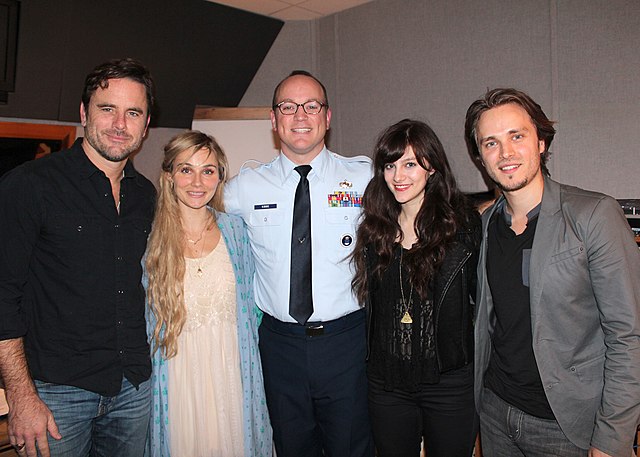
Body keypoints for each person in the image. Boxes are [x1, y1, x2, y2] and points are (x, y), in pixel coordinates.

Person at [465, 88, 640, 457]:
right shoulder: (483, 226)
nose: (506, 153)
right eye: (491, 143)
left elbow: (629, 336)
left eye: (517, 136)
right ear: (480, 157)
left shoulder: (594, 215)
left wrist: (612, 437)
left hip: (567, 426)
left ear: (541, 142)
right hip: (496, 413)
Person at [0, 58, 156, 457]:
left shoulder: (146, 196)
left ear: (146, 123)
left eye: (133, 112)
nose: (120, 124)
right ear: (84, 113)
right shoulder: (30, 186)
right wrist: (20, 397)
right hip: (55, 395)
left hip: (133, 389)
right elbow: (2, 295)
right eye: (108, 109)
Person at [224, 70, 374, 457]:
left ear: (328, 117)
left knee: (352, 448)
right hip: (280, 347)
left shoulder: (365, 178)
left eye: (312, 106)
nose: (300, 116)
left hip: (347, 344)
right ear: (274, 121)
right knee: (290, 448)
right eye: (288, 107)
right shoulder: (244, 187)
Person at [351, 119, 480, 456]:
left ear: (432, 167)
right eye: (390, 165)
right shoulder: (374, 230)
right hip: (387, 383)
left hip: (449, 381)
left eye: (409, 164)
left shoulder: (462, 227)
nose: (398, 176)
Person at [144, 130, 272, 457]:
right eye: (186, 169)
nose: (197, 181)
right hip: (177, 378)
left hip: (233, 374)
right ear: (169, 176)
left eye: (208, 170)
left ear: (220, 177)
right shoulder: (149, 239)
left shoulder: (237, 231)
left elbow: (256, 309)